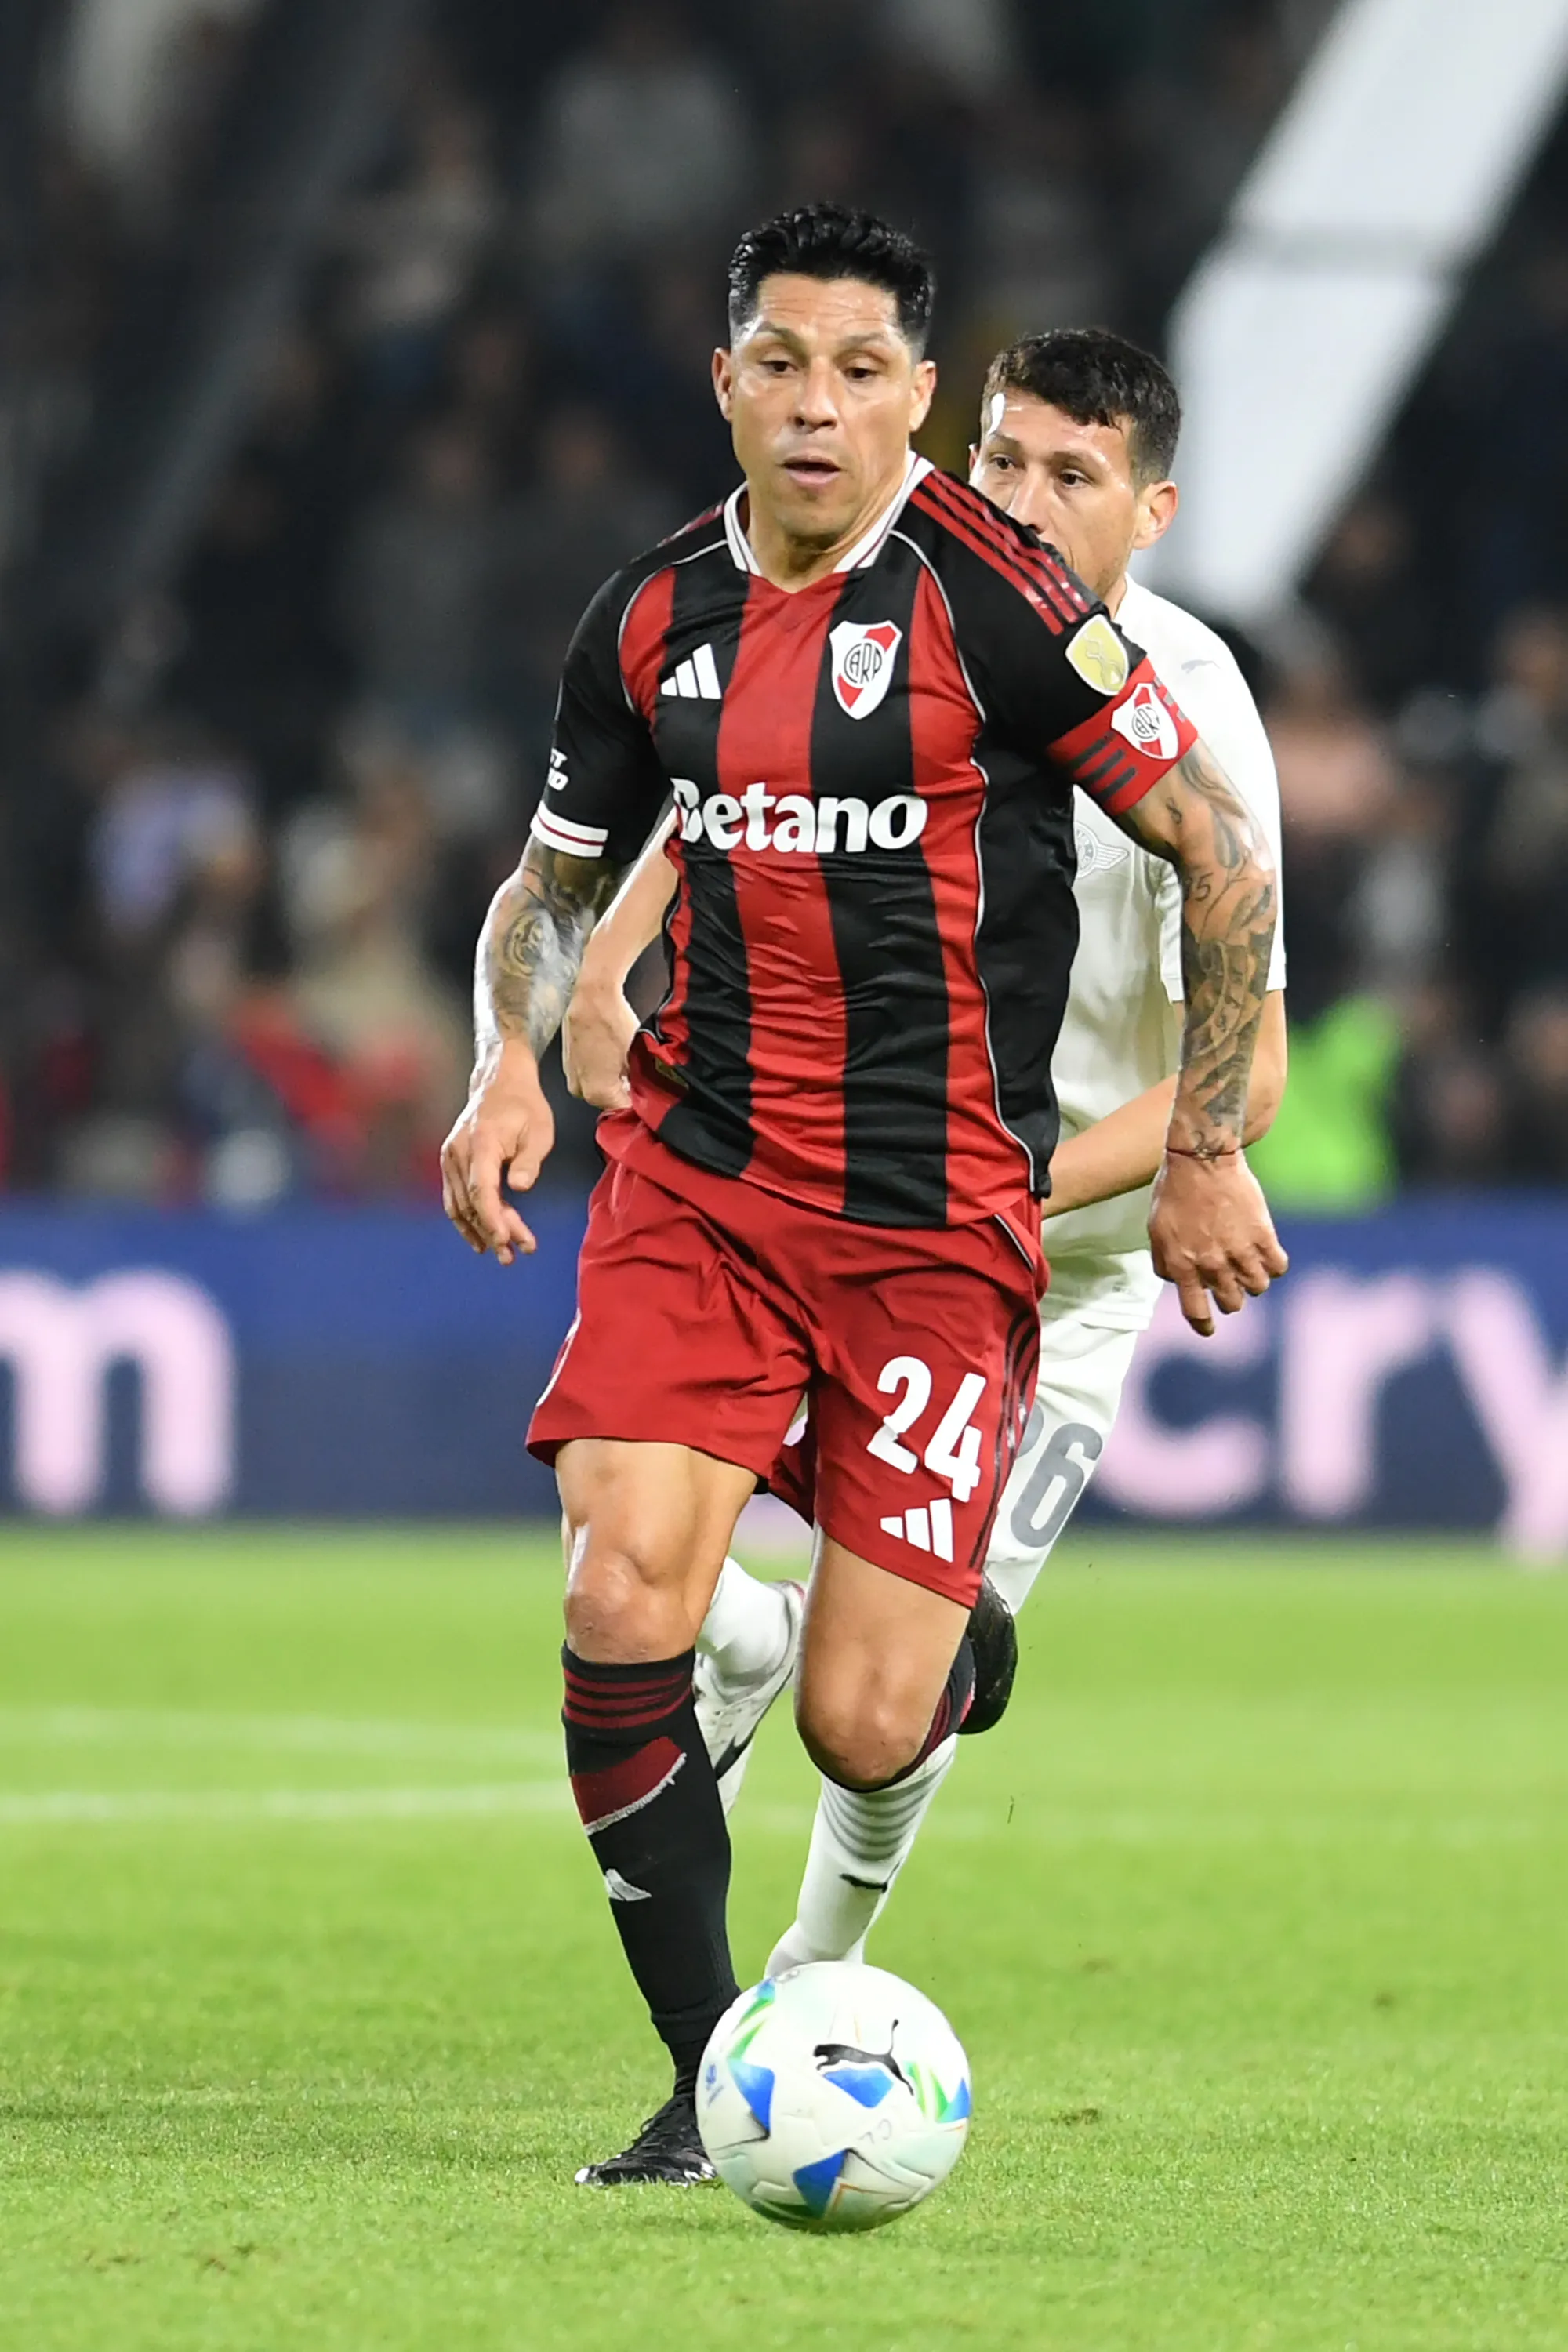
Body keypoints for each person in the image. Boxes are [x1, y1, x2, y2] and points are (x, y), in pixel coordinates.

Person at [440, 212, 1285, 2187]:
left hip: (931, 1230)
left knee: (866, 1720)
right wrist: (503, 1057)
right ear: (725, 378)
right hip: (707, 1187)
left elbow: (1222, 854)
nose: (815, 404)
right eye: (779, 363)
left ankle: (930, 1646)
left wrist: (1208, 1146)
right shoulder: (646, 618)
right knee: (617, 1580)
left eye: (858, 371)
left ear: (915, 394)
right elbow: (551, 878)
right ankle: (705, 2063)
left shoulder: (999, 607)